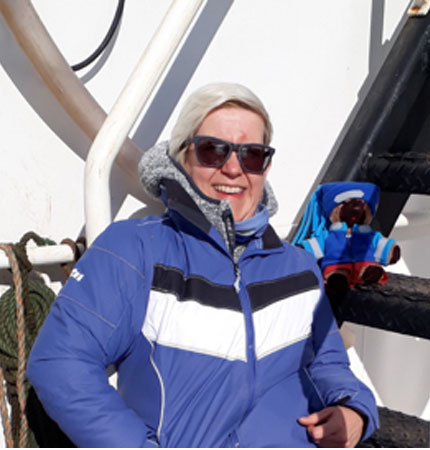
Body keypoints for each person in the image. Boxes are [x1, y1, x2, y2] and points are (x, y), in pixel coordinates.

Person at [27, 82, 378, 447]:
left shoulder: (299, 267)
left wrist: (355, 409)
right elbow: (59, 362)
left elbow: (327, 362)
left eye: (251, 155)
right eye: (213, 151)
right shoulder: (134, 250)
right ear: (182, 156)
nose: (233, 168)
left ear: (265, 167)